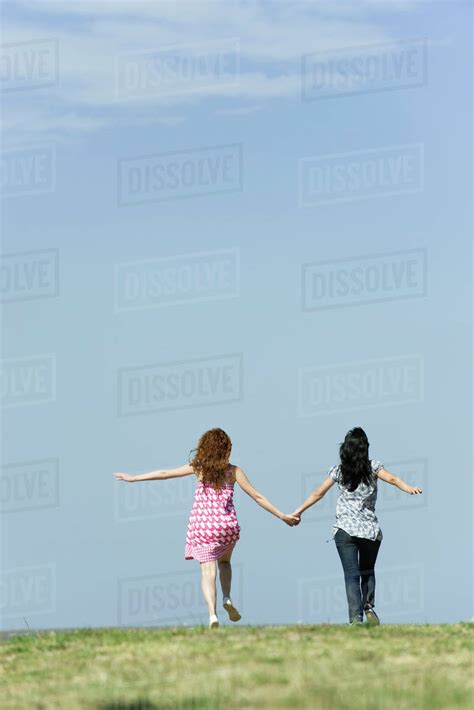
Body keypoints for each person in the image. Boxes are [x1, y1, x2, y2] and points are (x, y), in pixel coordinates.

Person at [114, 427, 299, 629]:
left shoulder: (198, 468)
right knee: (225, 563)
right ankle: (227, 597)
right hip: (227, 527)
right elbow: (257, 496)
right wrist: (282, 515)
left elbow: (165, 474)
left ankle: (212, 614)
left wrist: (134, 478)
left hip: (204, 528)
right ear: (226, 449)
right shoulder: (234, 471)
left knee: (207, 572)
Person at [292, 427, 422, 625]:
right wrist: (409, 488)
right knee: (367, 570)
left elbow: (318, 493)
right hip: (369, 530)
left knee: (351, 575)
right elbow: (393, 479)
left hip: (344, 531)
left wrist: (299, 511)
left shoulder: (338, 471)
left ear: (346, 449)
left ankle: (355, 619)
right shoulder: (374, 467)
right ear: (365, 449)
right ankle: (368, 606)